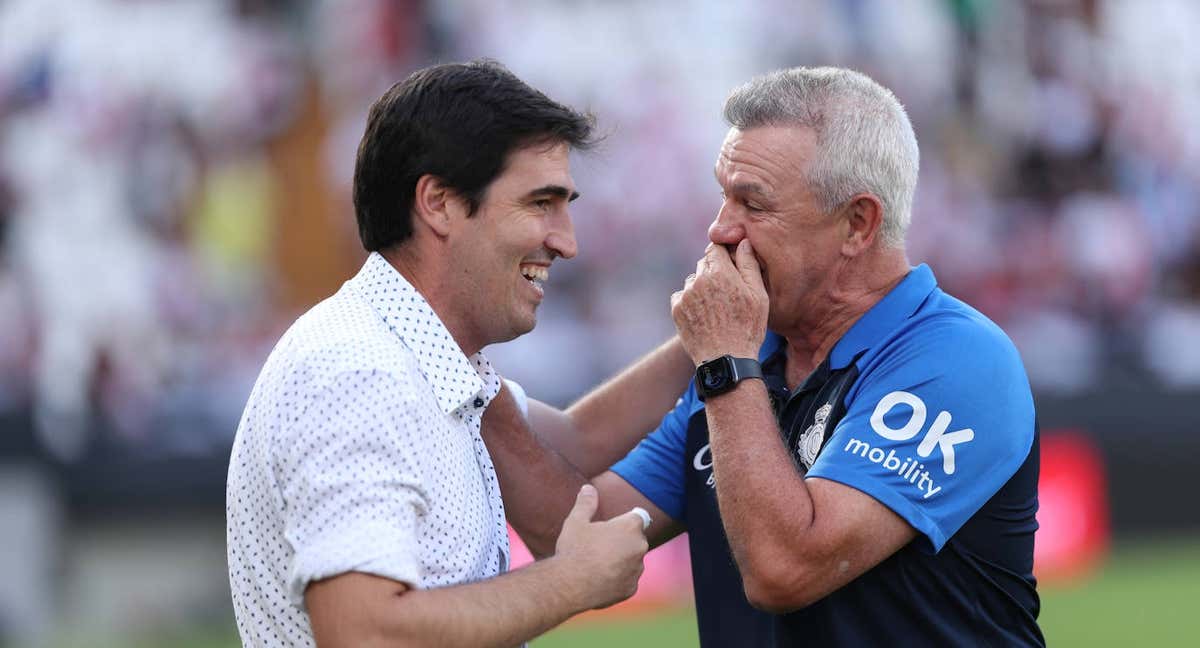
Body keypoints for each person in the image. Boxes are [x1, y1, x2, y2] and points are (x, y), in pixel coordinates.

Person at [483, 66, 1043, 646]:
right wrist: (450, 348)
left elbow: (785, 569)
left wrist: (726, 362)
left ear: (858, 223)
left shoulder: (957, 360)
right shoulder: (754, 357)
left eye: (753, 203)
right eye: (723, 195)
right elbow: (574, 528)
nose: (721, 229)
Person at [225, 60, 651, 648]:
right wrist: (570, 583)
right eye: (540, 203)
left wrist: (723, 339)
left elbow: (574, 449)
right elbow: (362, 632)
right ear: (439, 203)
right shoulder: (358, 370)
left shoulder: (430, 358)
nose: (567, 242)